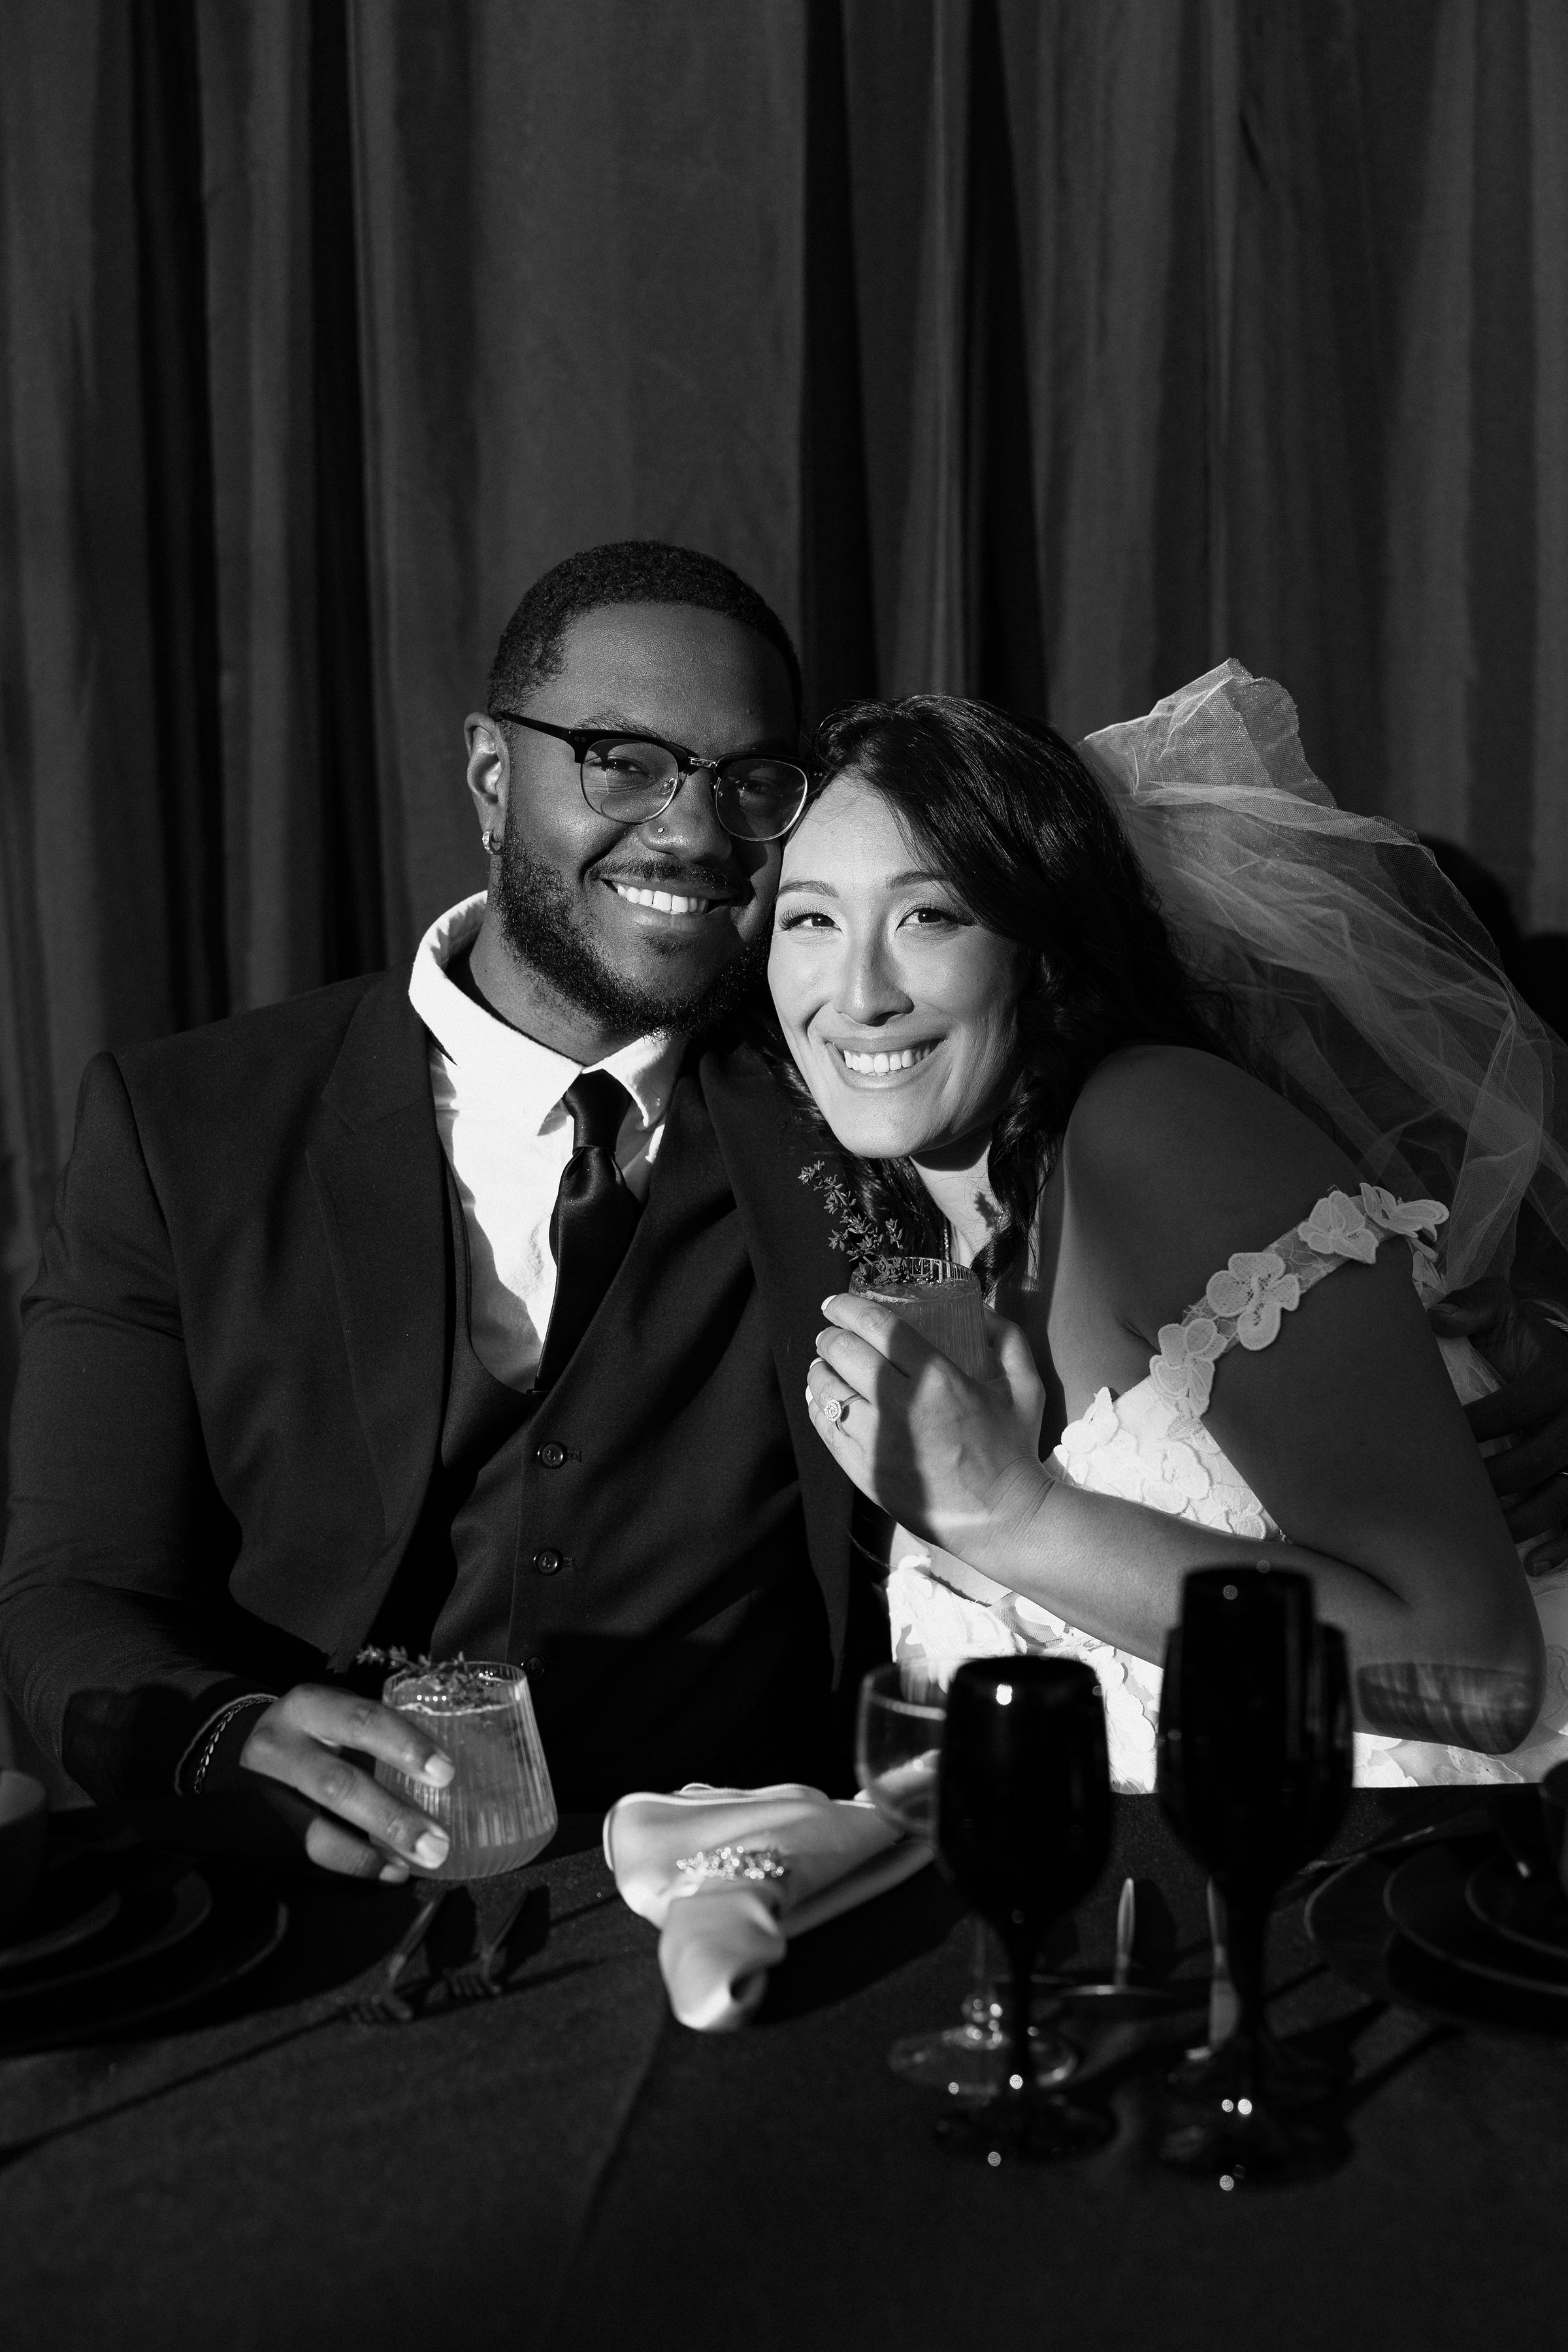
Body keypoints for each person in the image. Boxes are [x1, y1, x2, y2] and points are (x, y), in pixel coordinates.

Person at [0, 542, 882, 1878]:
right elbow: (72, 1588)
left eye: (747, 782)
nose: (696, 831)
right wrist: (224, 1739)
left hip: (726, 1904)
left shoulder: (856, 1110)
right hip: (304, 1909)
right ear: (490, 774)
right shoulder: (185, 1128)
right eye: (624, 762)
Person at [769, 669, 1568, 1788]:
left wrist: (1012, 1517)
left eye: (929, 916)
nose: (859, 993)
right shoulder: (930, 1244)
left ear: (1040, 946)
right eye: (811, 919)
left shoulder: (1152, 1128)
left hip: (1440, 1865)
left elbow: (1476, 1675)